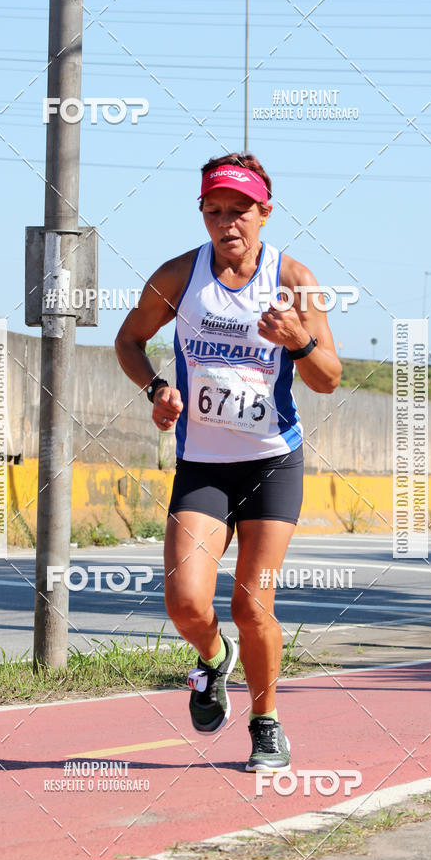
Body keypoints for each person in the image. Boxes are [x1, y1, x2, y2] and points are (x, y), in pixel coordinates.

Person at [115, 153, 341, 772]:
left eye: (239, 211)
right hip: (204, 464)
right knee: (186, 603)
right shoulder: (178, 277)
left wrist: (300, 340)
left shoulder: (293, 279)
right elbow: (127, 340)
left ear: (264, 212)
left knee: (252, 603)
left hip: (271, 462)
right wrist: (158, 387)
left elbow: (328, 380)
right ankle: (214, 658)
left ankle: (266, 723)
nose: (227, 223)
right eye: (214, 211)